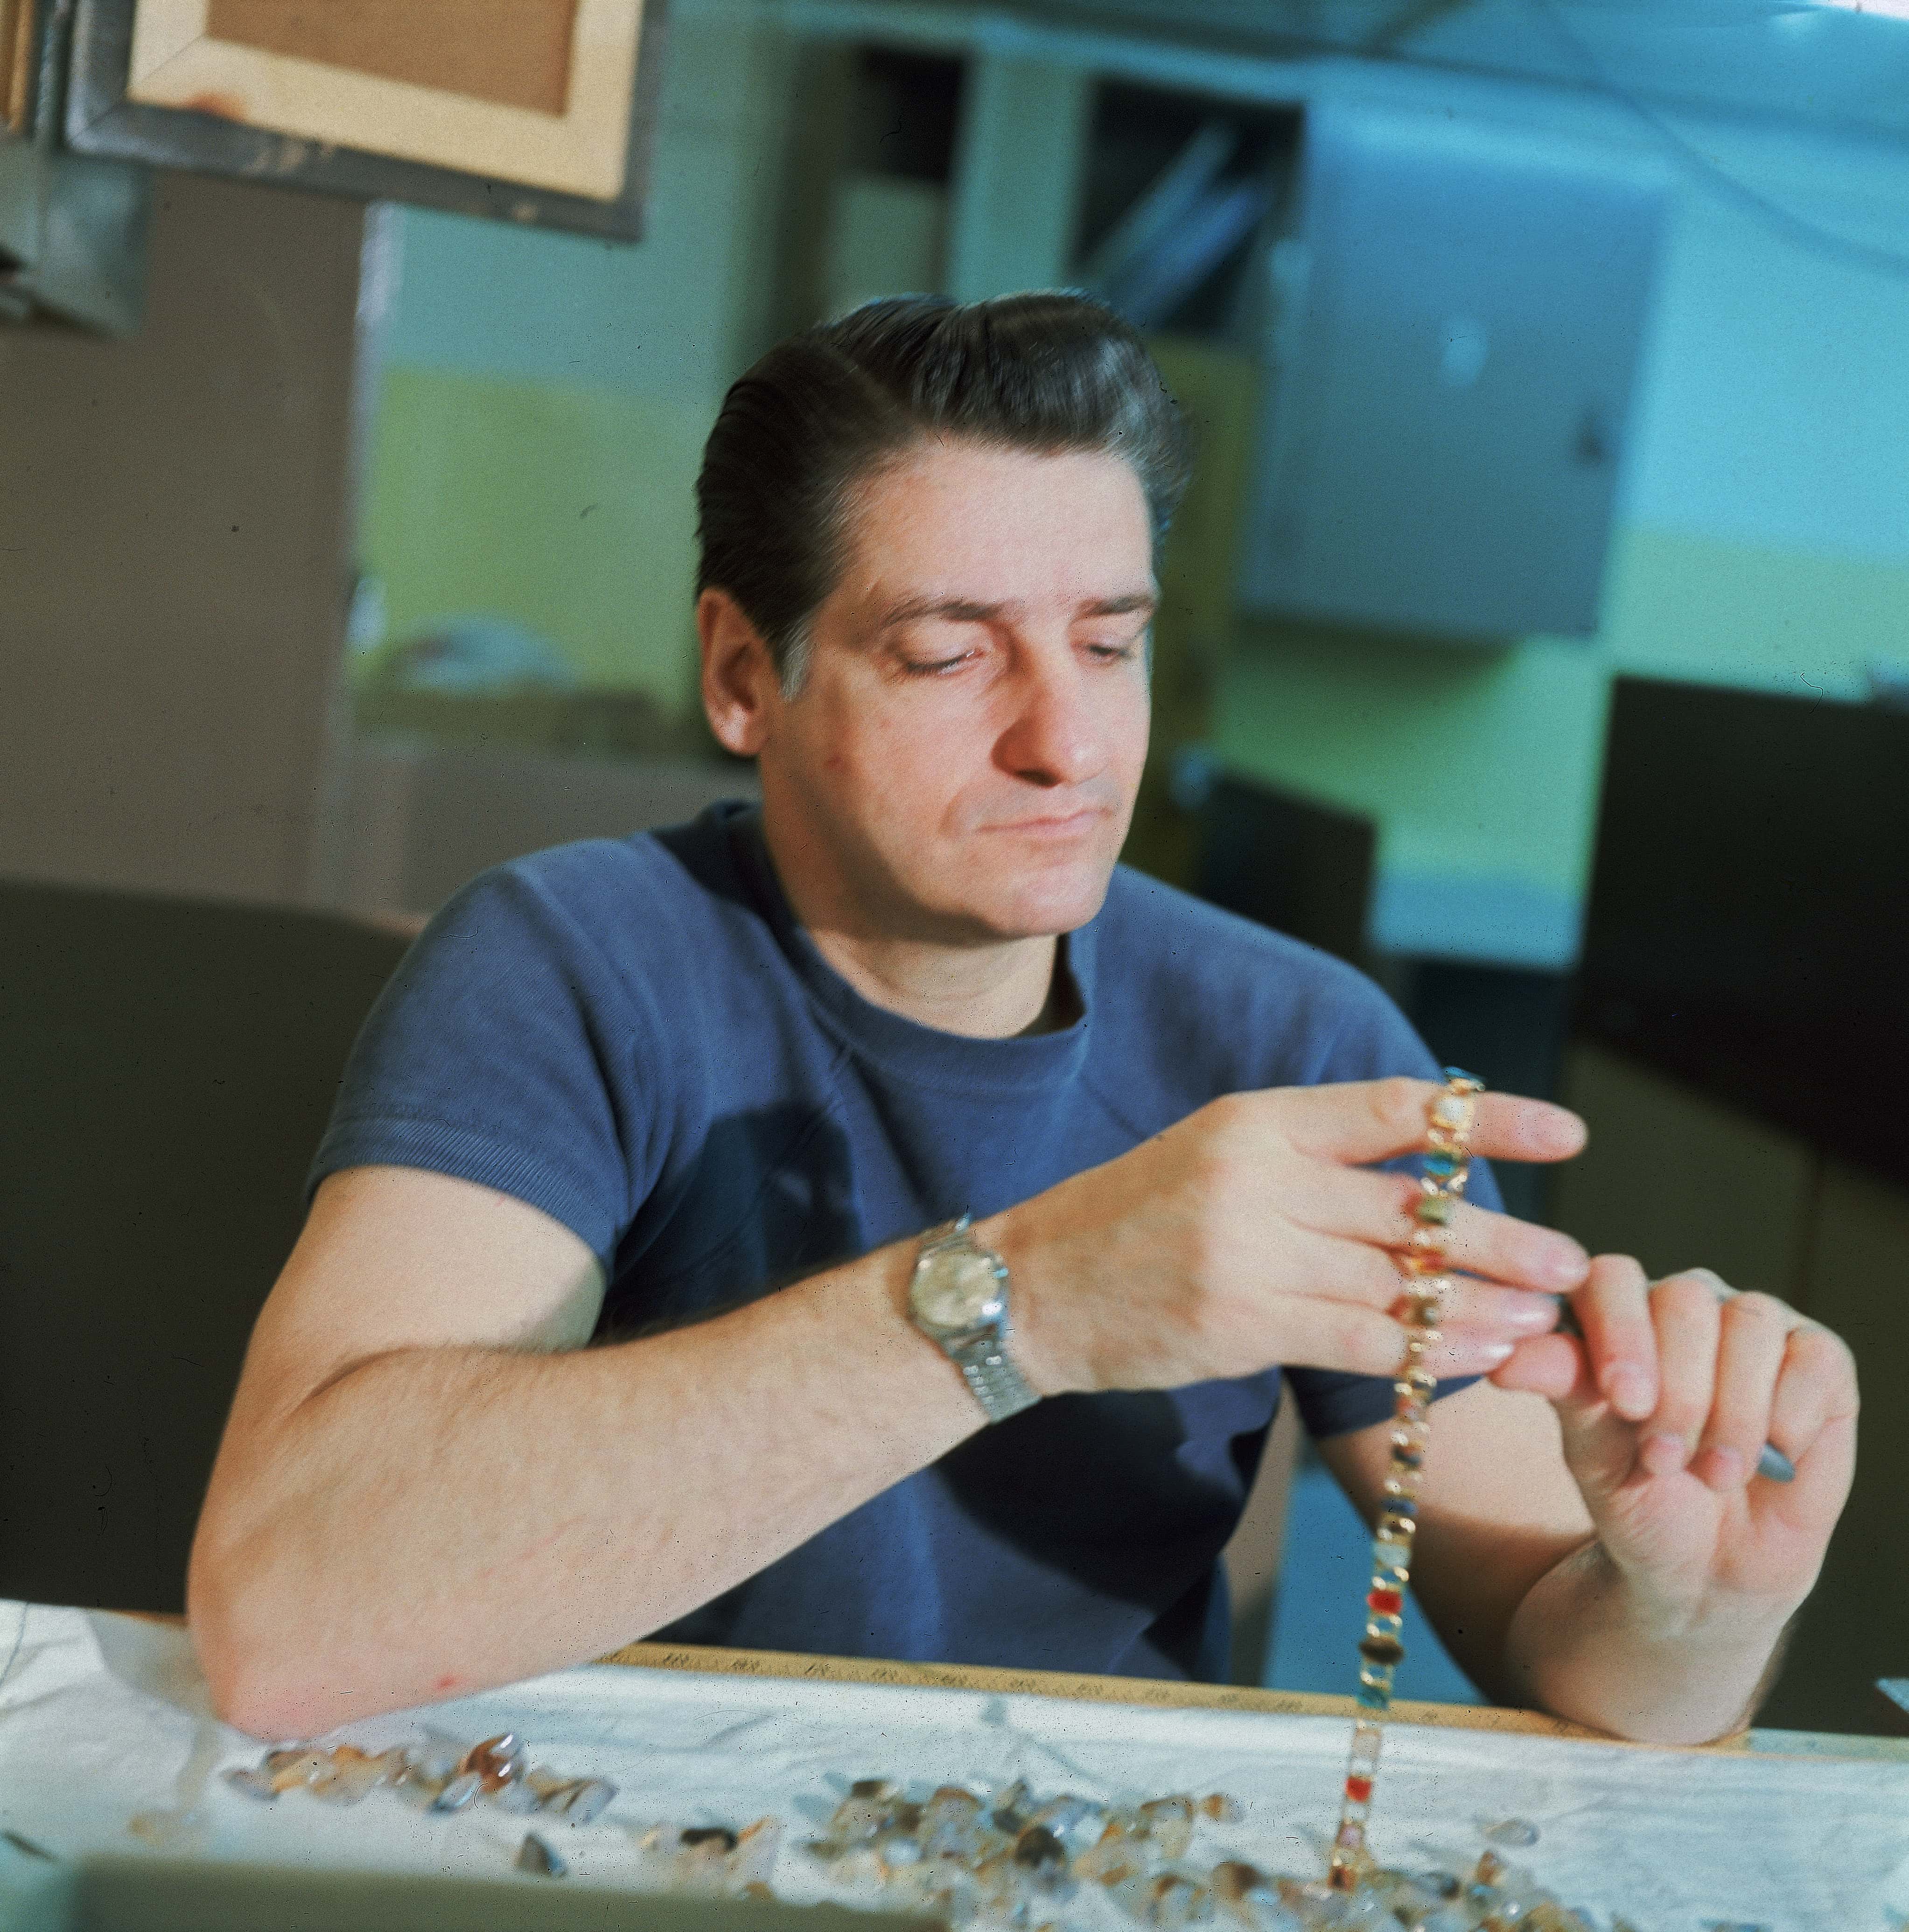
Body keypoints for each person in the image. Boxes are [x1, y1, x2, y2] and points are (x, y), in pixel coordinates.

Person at [189, 294, 1857, 1747]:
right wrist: (1028, 1302)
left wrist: (1686, 1597)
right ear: (741, 675)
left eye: (1109, 643)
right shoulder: (569, 964)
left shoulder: (1295, 1037)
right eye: (943, 655)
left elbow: (1573, 1663)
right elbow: (289, 1616)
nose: (1067, 743)